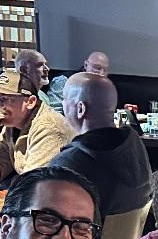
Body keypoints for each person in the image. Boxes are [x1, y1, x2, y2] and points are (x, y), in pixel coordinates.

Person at [51, 72, 151, 219]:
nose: (63, 105)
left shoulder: (68, 163)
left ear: (80, 109)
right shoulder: (135, 144)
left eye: (64, 100)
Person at [0, 70, 72, 188]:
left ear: (30, 102)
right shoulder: (12, 126)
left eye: (5, 98)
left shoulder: (48, 128)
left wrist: (15, 181)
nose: (0, 106)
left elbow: (32, 187)